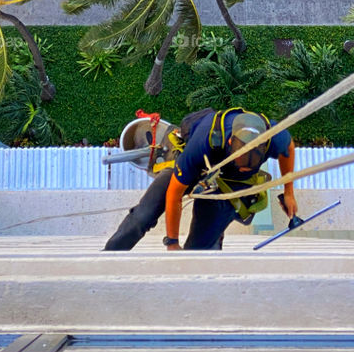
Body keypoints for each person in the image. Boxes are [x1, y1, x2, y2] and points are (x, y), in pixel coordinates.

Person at [104, 107, 296, 251]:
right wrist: (172, 242)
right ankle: (109, 256)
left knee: (198, 250)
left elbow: (288, 148)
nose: (243, 166)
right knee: (143, 215)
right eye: (241, 163)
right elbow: (174, 193)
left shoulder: (274, 137)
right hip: (197, 164)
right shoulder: (202, 142)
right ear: (230, 143)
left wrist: (289, 193)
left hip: (230, 185)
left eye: (248, 166)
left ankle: (212, 241)